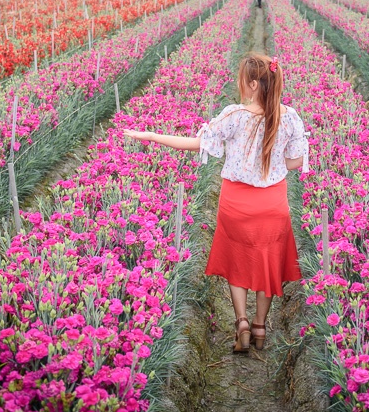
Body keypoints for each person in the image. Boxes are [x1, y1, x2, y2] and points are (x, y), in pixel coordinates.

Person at [124, 53, 306, 353]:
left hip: (237, 203)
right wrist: (272, 162)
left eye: (241, 80)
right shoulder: (290, 118)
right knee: (267, 264)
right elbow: (295, 161)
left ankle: (242, 324)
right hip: (273, 204)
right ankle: (261, 327)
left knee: (237, 263)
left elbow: (197, 144)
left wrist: (151, 135)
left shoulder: (234, 116)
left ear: (251, 84)